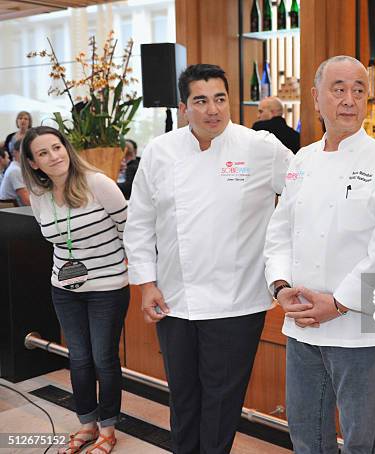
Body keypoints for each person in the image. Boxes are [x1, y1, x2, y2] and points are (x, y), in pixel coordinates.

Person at [123, 64, 293, 454]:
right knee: (183, 398)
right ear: (184, 107)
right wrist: (146, 283)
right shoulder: (160, 152)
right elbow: (140, 221)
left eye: (220, 99)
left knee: (221, 404)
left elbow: (304, 191)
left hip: (237, 302)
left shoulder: (260, 147)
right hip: (174, 300)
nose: (213, 109)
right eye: (201, 100)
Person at [264, 55, 375, 454]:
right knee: (306, 431)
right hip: (303, 321)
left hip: (360, 328)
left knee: (363, 439)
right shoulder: (302, 160)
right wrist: (280, 287)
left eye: (359, 90)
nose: (349, 99)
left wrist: (340, 303)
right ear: (316, 97)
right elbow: (279, 232)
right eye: (339, 89)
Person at [20, 126, 129, 454]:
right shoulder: (38, 196)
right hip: (64, 289)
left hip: (107, 286)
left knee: (103, 358)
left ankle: (108, 430)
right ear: (34, 163)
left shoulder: (98, 183)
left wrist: (136, 273)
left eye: (57, 147)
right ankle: (87, 424)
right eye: (43, 153)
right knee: (79, 358)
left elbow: (129, 228)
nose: (53, 156)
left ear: (66, 148)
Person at [0, 139, 30, 206]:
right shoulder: (15, 170)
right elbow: (27, 201)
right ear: (15, 152)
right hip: (13, 212)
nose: (27, 155)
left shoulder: (17, 168)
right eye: (23, 151)